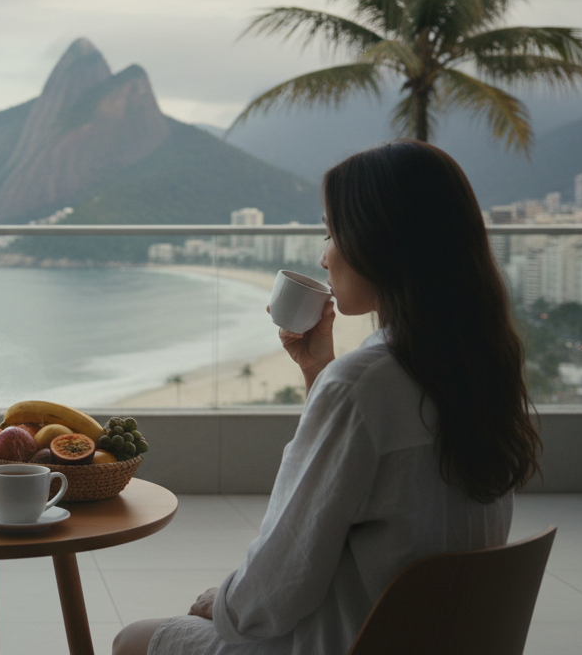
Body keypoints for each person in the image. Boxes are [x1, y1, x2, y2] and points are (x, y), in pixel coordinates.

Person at [114, 140, 542, 655]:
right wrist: (321, 371)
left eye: (333, 231)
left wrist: (220, 602)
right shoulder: (480, 367)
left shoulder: (364, 384)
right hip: (441, 636)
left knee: (133, 639)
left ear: (382, 241)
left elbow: (275, 592)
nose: (324, 254)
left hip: (349, 642)